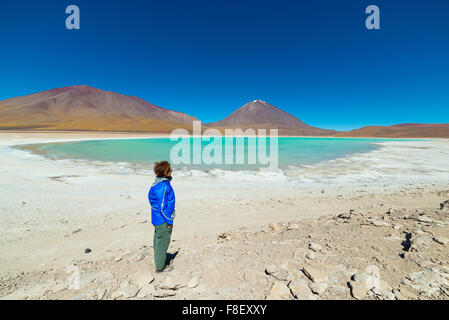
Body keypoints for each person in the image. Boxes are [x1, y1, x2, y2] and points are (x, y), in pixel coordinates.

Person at [148, 160, 176, 273]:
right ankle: (160, 267)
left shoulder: (157, 184)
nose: (172, 171)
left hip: (157, 218)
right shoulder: (163, 188)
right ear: (166, 173)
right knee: (163, 242)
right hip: (163, 219)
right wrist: (169, 221)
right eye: (169, 170)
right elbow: (163, 207)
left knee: (158, 239)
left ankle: (159, 258)